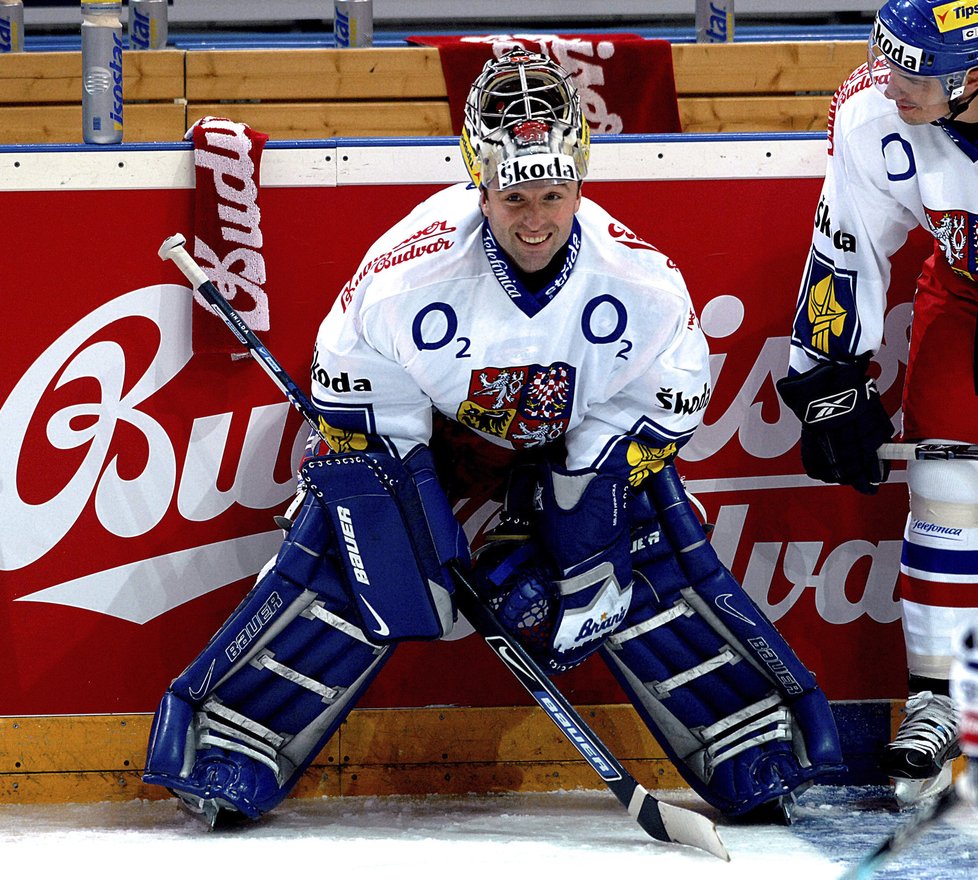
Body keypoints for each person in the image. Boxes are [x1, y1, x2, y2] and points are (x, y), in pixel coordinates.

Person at [143, 48, 841, 828]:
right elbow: (359, 408)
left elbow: (662, 410)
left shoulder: (641, 283)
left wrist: (578, 535)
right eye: (514, 196)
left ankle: (757, 744)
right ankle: (226, 749)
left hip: (576, 436)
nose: (536, 216)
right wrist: (415, 529)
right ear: (480, 178)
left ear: (581, 172)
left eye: (555, 191)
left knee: (630, 550)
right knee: (364, 546)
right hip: (433, 434)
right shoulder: (409, 276)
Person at [776, 0, 978, 806]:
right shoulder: (874, 114)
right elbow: (848, 241)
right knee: (946, 477)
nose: (889, 85)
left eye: (914, 72)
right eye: (886, 59)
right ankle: (939, 701)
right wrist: (828, 379)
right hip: (966, 293)